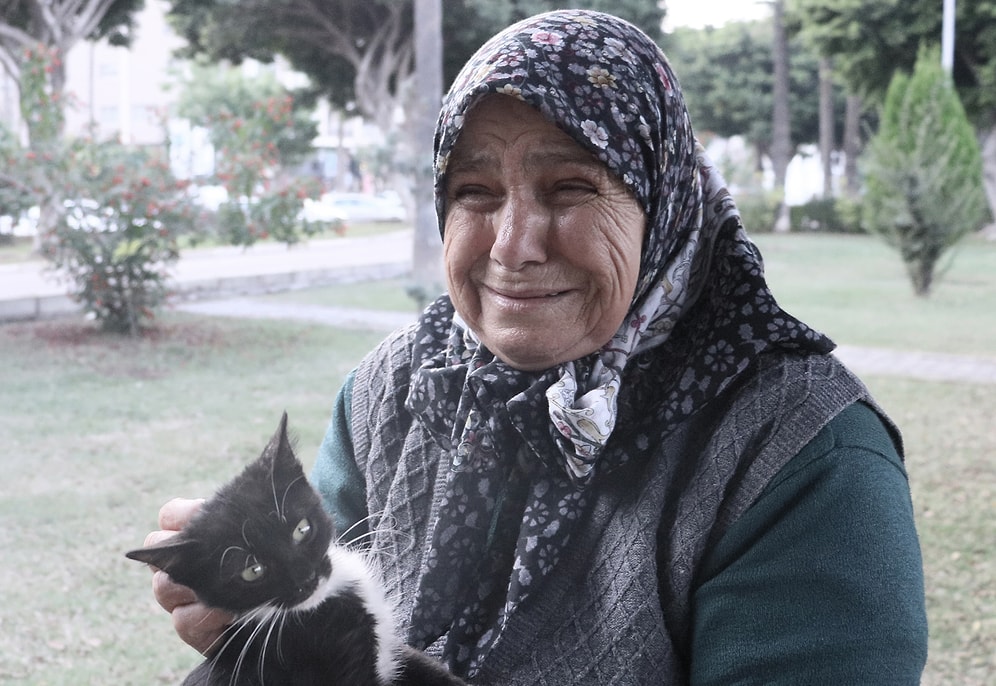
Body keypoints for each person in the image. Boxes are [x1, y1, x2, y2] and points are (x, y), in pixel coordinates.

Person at [146, 10, 928, 684]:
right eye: (475, 193)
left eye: (571, 189)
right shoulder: (391, 392)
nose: (513, 245)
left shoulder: (800, 457)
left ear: (661, 206)